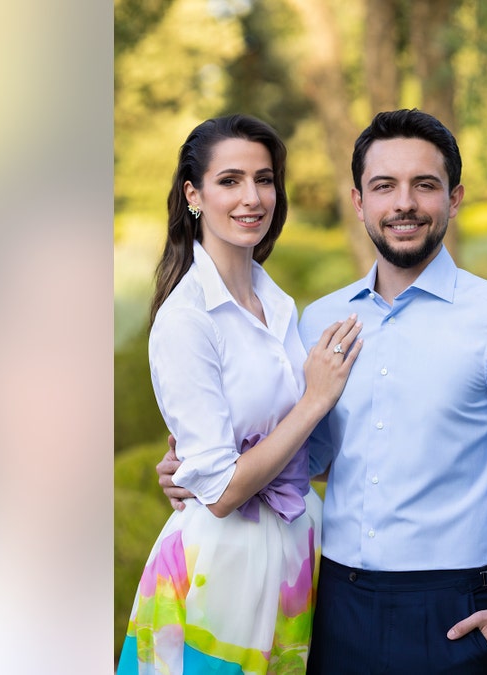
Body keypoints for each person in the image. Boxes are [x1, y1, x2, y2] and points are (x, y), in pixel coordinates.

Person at [159, 109, 487, 673]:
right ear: (358, 202)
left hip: (453, 609)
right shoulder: (319, 322)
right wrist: (203, 466)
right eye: (384, 187)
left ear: (455, 197)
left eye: (425, 185)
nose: (404, 204)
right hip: (334, 604)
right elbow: (312, 455)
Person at [117, 114, 364, 675]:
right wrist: (313, 401)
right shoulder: (186, 319)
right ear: (193, 194)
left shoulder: (278, 305)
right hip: (220, 569)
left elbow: (291, 450)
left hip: (296, 551)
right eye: (229, 180)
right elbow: (223, 492)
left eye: (264, 179)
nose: (252, 197)